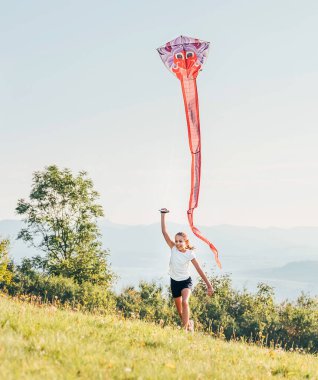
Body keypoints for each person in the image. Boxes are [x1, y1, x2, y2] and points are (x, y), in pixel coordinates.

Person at [160, 208, 214, 332]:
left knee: (185, 302)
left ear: (186, 242)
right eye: (176, 241)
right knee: (180, 312)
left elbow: (199, 269)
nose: (178, 243)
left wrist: (209, 285)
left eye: (181, 241)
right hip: (174, 282)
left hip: (185, 282)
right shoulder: (173, 248)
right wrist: (163, 215)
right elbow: (164, 232)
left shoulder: (190, 254)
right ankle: (189, 324)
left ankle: (184, 330)